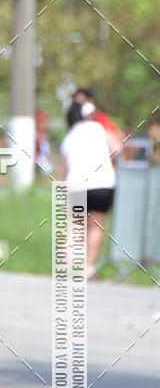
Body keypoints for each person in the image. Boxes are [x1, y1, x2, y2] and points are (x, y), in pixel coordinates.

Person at [60, 101, 116, 278]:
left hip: (76, 184)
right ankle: (88, 267)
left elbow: (65, 166)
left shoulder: (70, 135)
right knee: (95, 227)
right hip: (102, 183)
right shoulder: (100, 128)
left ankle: (66, 258)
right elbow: (117, 148)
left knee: (77, 222)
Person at [72, 88, 125, 160]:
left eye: (82, 101)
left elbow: (116, 141)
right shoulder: (74, 121)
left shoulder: (99, 117)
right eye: (77, 102)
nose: (80, 105)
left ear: (90, 101)